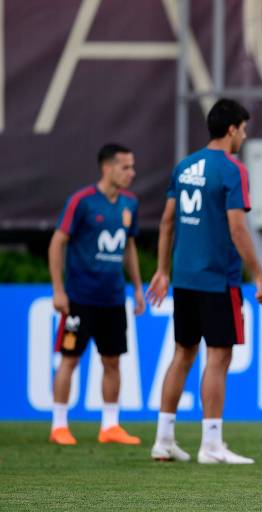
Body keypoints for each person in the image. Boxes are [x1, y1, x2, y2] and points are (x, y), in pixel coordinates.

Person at [146, 98, 262, 464]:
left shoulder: (184, 166)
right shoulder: (233, 170)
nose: (244, 136)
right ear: (232, 129)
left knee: (183, 353)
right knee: (218, 356)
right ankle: (212, 444)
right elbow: (237, 227)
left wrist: (163, 269)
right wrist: (260, 275)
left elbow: (167, 221)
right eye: (244, 129)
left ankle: (163, 439)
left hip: (184, 277)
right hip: (218, 279)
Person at [48, 143, 144, 446]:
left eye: (132, 167)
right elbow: (57, 243)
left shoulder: (130, 204)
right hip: (79, 298)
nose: (132, 172)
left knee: (112, 361)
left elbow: (128, 246)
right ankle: (59, 424)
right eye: (125, 167)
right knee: (70, 359)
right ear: (107, 168)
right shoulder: (82, 201)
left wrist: (138, 287)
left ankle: (110, 425)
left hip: (114, 298)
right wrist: (58, 290)